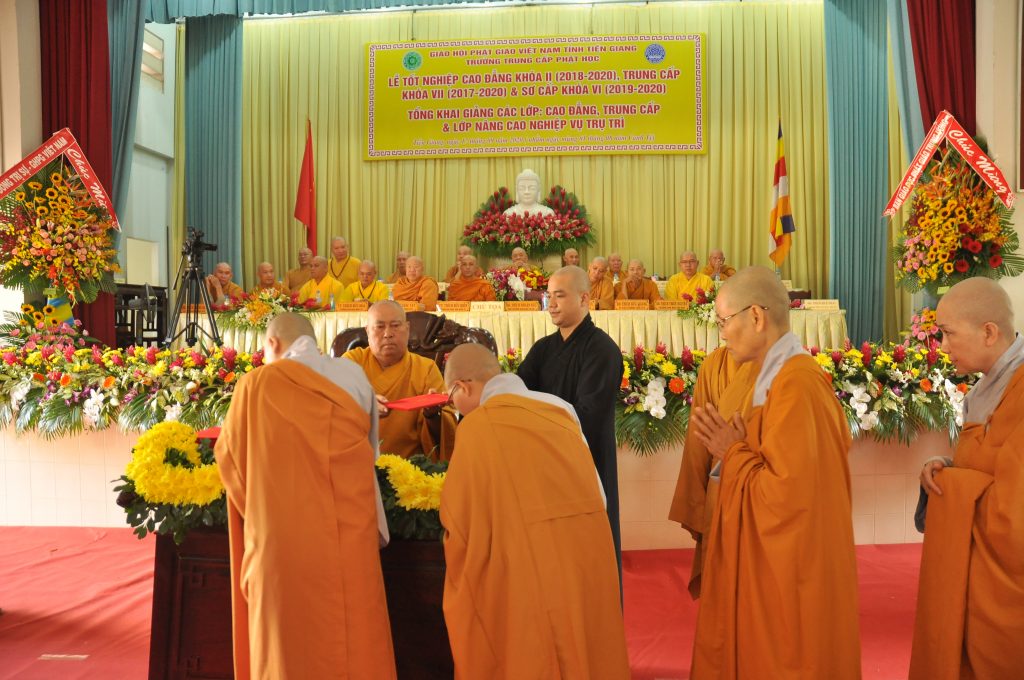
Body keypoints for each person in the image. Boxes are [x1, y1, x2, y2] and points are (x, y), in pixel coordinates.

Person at [689, 266, 860, 679]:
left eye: (723, 321)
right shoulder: (773, 378)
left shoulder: (797, 385)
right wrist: (736, 451)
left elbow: (789, 500)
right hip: (775, 565)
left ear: (756, 316)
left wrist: (731, 453)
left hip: (793, 574)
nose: (722, 334)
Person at [215, 312, 395, 679]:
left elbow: (232, 465)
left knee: (287, 647)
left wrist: (267, 506)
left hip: (281, 541)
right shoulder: (354, 376)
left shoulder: (254, 385)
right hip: (348, 537)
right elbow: (370, 453)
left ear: (272, 344)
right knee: (354, 637)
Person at [441, 343, 631, 679]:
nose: (454, 406)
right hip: (587, 556)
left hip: (527, 561)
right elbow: (597, 494)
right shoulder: (560, 409)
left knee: (536, 650)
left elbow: (460, 522)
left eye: (450, 398)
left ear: (462, 387)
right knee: (584, 650)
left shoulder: (475, 427)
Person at [910, 277, 1024, 679]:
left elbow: (1015, 515)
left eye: (948, 333)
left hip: (1005, 589)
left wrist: (957, 488)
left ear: (989, 332)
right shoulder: (990, 385)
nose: (942, 346)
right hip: (972, 572)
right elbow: (989, 463)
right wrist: (948, 465)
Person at [517, 265, 625, 571]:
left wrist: (537, 425)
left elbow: (588, 414)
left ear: (584, 299)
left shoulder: (602, 350)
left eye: (560, 296)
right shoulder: (543, 349)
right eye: (549, 296)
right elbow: (516, 393)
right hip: (543, 464)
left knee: (587, 559)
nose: (551, 304)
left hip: (585, 464)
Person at [667, 346, 757, 599]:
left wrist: (737, 452)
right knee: (720, 581)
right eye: (720, 325)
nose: (724, 332)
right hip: (719, 481)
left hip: (760, 487)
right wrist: (697, 495)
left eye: (727, 324)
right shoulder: (714, 364)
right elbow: (699, 436)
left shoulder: (788, 368)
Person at [343, 300, 457, 460]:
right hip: (357, 463)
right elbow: (329, 405)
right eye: (379, 326)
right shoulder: (352, 362)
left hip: (411, 468)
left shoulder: (425, 368)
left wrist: (433, 415)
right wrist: (362, 404)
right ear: (368, 331)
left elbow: (446, 432)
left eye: (395, 326)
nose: (388, 334)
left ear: (407, 329)